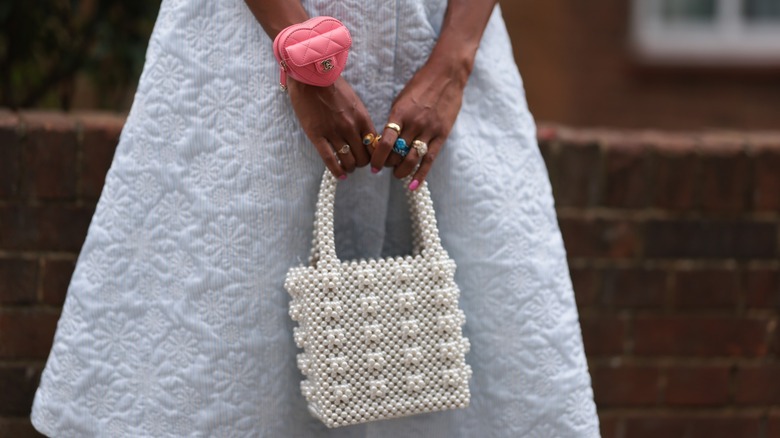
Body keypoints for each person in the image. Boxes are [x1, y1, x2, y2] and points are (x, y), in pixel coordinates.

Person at [30, 0, 600, 436]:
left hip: (443, 48)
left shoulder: (454, 64)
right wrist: (296, 44)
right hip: (250, 52)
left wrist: (454, 60)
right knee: (222, 354)